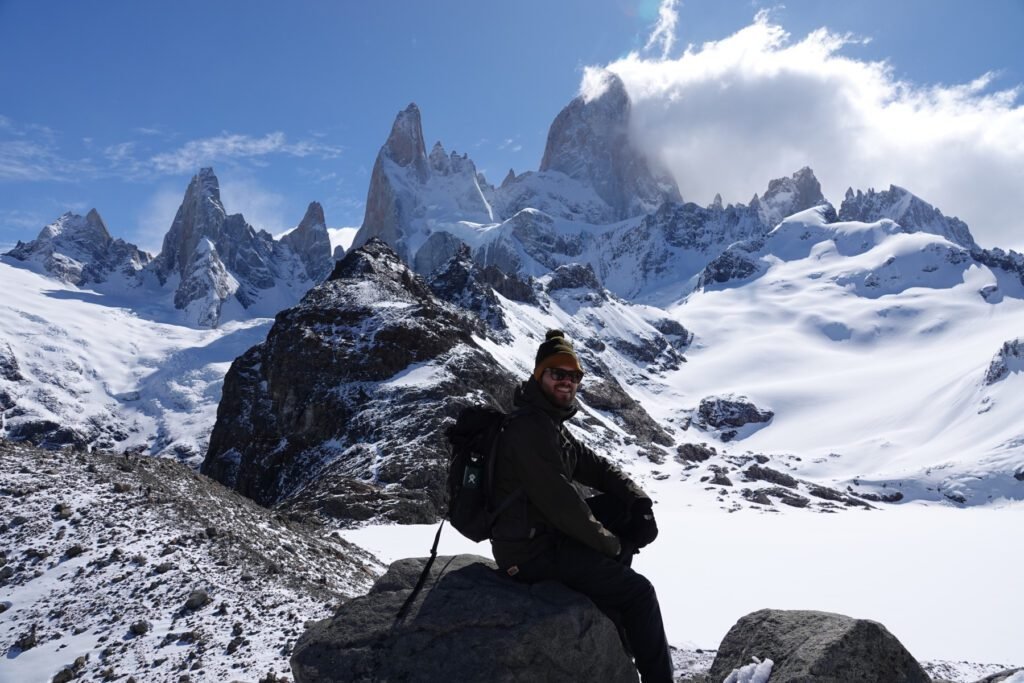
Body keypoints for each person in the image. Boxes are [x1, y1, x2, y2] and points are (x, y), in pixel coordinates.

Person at [490, 329, 674, 683]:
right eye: (558, 374)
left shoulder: (548, 423)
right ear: (538, 375)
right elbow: (564, 506)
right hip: (530, 552)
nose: (567, 382)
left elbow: (595, 466)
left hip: (544, 533)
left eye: (573, 376)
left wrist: (638, 500)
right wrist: (613, 545)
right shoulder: (530, 429)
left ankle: (611, 610)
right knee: (640, 592)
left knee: (621, 511)